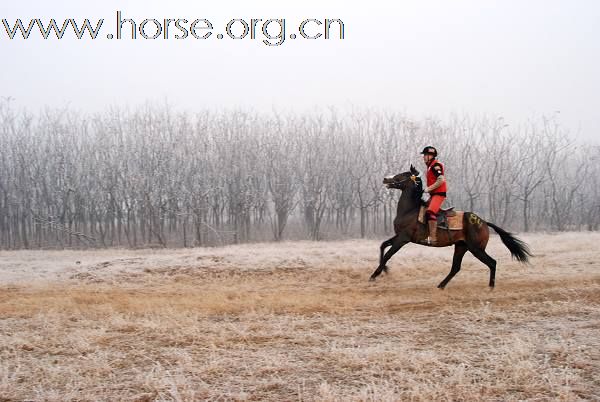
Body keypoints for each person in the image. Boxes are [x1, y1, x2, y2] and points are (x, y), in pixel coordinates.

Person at [420, 146, 447, 245]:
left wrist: (428, 189)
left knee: (430, 212)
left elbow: (441, 180)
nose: (423, 157)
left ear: (430, 156)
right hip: (434, 194)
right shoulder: (430, 166)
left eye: (425, 155)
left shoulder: (436, 165)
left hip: (439, 194)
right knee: (423, 208)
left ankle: (433, 238)